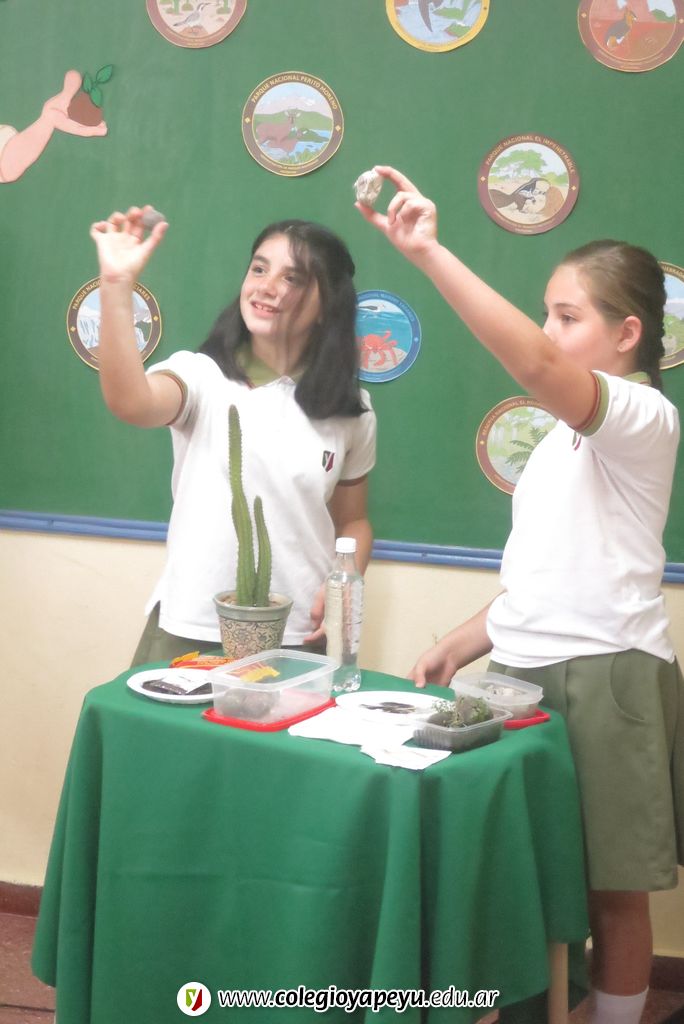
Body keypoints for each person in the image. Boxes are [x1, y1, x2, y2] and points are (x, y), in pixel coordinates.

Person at [358, 166, 682, 1024]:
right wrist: (463, 641)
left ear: (627, 333)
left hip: (608, 676)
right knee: (532, 876)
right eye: (547, 312)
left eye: (568, 317)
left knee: (611, 889)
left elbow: (535, 366)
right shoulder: (555, 448)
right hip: (521, 674)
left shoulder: (644, 418)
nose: (548, 332)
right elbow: (544, 577)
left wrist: (429, 254)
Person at [90, 207, 376, 665]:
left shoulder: (351, 409)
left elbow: (353, 521)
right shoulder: (199, 376)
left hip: (298, 633)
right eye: (259, 269)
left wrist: (345, 583)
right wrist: (116, 286)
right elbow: (131, 402)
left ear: (328, 305)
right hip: (193, 627)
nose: (266, 286)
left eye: (292, 278)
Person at [0, 70, 106, 183]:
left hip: (6, 143)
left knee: (49, 114)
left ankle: (62, 104)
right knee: (50, 116)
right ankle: (65, 109)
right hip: (5, 161)